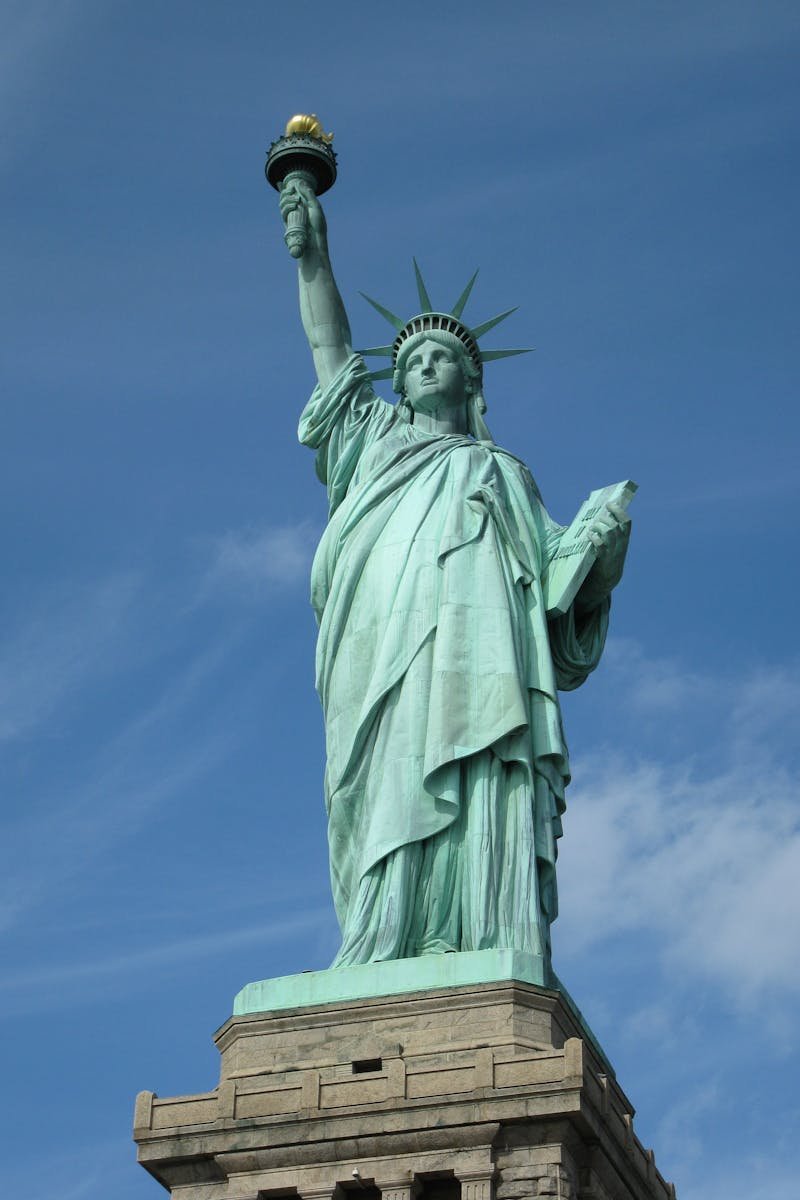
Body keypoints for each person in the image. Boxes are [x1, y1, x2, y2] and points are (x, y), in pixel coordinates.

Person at [279, 179, 631, 971]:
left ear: (472, 383)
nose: (428, 365)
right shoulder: (370, 443)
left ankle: (482, 930)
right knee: (386, 779)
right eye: (412, 359)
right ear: (396, 382)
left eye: (443, 357)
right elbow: (329, 350)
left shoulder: (504, 471)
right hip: (383, 650)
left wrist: (598, 550)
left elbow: (554, 592)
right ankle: (382, 936)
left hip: (483, 655)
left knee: (481, 768)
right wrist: (314, 260)